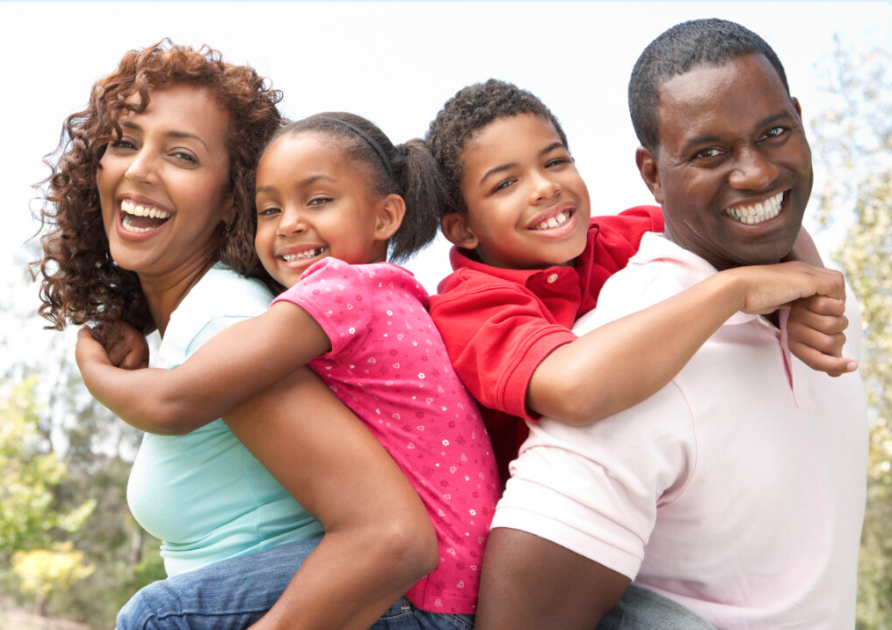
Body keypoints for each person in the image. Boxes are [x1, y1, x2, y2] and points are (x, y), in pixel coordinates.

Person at [35, 42, 444, 630]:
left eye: (181, 154)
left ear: (233, 201)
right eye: (124, 142)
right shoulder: (204, 321)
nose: (139, 169)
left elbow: (393, 537)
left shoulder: (225, 322)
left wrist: (93, 366)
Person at [478, 19, 868, 629]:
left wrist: (803, 278)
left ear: (798, 117)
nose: (756, 173)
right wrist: (737, 287)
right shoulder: (638, 359)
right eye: (708, 153)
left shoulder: (824, 303)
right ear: (654, 174)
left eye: (773, 133)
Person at [425, 78, 855, 485]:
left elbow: (751, 219)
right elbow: (574, 391)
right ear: (463, 230)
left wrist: (806, 299)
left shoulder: (627, 236)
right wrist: (734, 290)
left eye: (555, 162)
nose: (544, 188)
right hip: (561, 533)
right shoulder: (470, 309)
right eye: (506, 184)